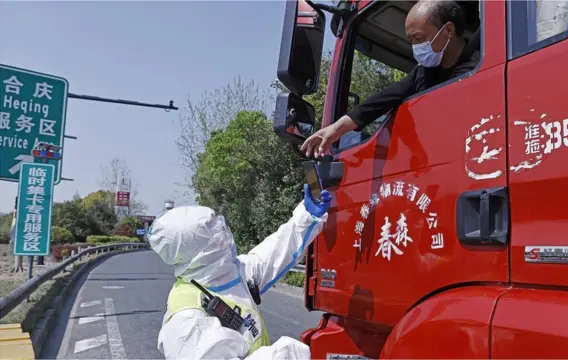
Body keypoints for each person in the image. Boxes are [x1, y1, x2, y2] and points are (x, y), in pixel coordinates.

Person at [148, 184, 332, 359]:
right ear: (193, 251)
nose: (223, 233)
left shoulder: (227, 274)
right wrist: (289, 354)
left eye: (217, 223)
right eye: (212, 231)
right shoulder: (186, 321)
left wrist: (306, 216)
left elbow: (273, 253)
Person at [301, 0, 480, 159]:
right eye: (411, 41)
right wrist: (334, 130)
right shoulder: (424, 73)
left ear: (448, 30)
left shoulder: (481, 64)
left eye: (419, 38)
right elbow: (380, 101)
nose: (416, 48)